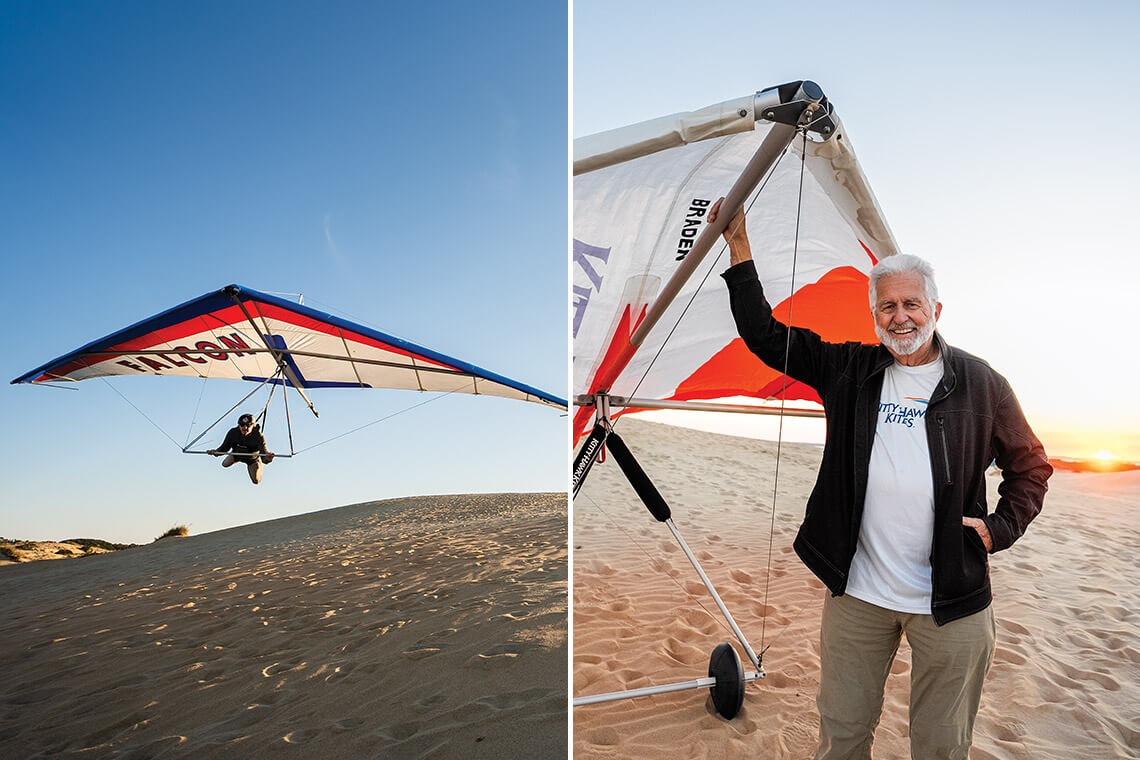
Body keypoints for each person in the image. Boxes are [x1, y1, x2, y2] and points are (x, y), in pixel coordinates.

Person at [708, 198, 1051, 760]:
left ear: (936, 307)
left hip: (953, 598)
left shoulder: (983, 384)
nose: (900, 317)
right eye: (887, 306)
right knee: (842, 737)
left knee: (941, 746)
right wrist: (739, 247)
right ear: (874, 317)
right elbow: (767, 337)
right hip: (859, 595)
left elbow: (1031, 468)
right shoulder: (850, 369)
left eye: (911, 303)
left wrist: (999, 528)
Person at [207, 413, 275, 485]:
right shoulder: (233, 433)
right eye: (242, 425)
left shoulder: (258, 436)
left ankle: (258, 463)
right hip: (237, 455)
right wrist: (216, 452)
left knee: (256, 481)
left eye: (248, 425)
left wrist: (268, 458)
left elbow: (263, 452)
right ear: (239, 425)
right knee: (225, 464)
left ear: (253, 426)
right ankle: (235, 457)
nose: (245, 428)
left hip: (251, 459)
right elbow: (224, 448)